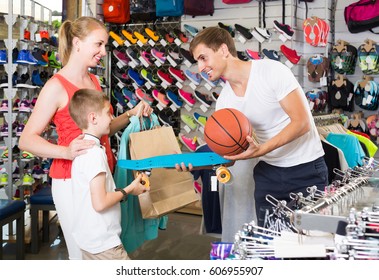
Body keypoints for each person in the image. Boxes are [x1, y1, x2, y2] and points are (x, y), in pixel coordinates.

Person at [19, 16, 152, 260]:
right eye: (98, 44)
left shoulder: (93, 81)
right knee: (82, 254)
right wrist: (66, 152)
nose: (103, 51)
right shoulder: (55, 86)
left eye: (104, 45)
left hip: (100, 173)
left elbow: (104, 128)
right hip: (71, 180)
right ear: (78, 43)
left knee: (105, 246)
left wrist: (131, 114)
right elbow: (26, 140)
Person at [181, 26, 328, 228]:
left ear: (223, 50)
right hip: (268, 174)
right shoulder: (225, 101)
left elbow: (302, 123)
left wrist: (260, 150)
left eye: (203, 58)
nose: (200, 68)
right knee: (269, 246)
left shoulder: (271, 71)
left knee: (310, 245)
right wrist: (196, 162)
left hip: (306, 170)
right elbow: (230, 157)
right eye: (197, 61)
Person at [68, 89, 149, 260]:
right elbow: (100, 203)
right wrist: (129, 189)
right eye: (108, 113)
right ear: (93, 118)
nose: (112, 118)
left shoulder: (83, 148)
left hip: (89, 239)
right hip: (103, 243)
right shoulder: (94, 154)